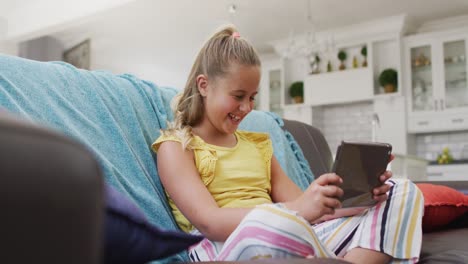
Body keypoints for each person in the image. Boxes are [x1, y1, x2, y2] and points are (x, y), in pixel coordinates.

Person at [152, 25, 424, 264]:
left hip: (287, 234)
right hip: (227, 244)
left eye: (252, 97)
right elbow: (209, 222)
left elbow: (306, 210)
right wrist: (297, 210)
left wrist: (357, 199)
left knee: (401, 191)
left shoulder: (258, 146)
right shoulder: (176, 147)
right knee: (267, 221)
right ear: (203, 85)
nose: (247, 108)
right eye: (238, 96)